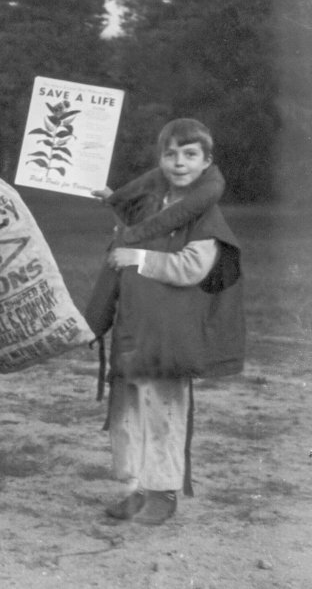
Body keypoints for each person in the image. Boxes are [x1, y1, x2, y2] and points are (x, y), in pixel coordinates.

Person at [90, 118, 244, 525]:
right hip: (136, 326)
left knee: (164, 412)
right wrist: (113, 202)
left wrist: (138, 257)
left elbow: (193, 266)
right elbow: (134, 229)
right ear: (160, 160)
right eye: (171, 153)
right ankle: (136, 488)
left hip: (171, 331)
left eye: (190, 154)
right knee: (131, 412)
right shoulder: (151, 206)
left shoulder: (203, 214)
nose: (179, 162)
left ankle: (163, 490)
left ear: (206, 161)